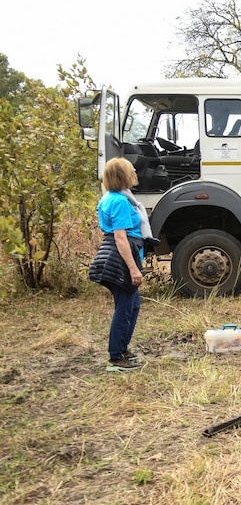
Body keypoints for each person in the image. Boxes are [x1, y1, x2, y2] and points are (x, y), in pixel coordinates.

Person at [88, 158, 150, 371]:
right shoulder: (120, 202)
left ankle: (122, 350)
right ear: (123, 176)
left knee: (131, 305)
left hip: (117, 256)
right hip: (120, 259)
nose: (135, 173)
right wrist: (133, 268)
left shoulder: (111, 197)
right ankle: (116, 357)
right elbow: (120, 238)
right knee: (125, 308)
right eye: (131, 171)